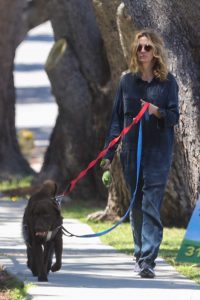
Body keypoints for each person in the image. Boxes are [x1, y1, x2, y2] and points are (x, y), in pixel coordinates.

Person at [101, 29, 179, 278]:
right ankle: (139, 254)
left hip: (158, 153)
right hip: (131, 152)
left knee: (151, 204)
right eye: (139, 47)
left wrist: (157, 111)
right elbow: (116, 119)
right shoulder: (127, 81)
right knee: (135, 203)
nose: (143, 51)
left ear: (156, 51)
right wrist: (108, 153)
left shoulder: (168, 83)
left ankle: (148, 259)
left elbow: (174, 117)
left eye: (147, 47)